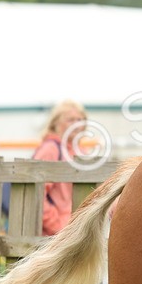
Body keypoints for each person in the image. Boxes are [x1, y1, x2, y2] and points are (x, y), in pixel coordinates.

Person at [33, 101, 87, 236]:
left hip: (78, 232)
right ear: (55, 123)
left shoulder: (82, 151)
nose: (77, 124)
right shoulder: (50, 149)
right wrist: (58, 227)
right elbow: (36, 193)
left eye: (80, 120)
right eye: (70, 120)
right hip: (56, 237)